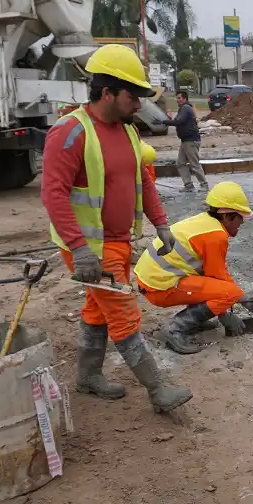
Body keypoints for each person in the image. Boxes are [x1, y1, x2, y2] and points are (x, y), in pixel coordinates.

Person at [41, 43, 191, 413]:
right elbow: (53, 194)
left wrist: (161, 223)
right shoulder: (70, 133)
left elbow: (143, 180)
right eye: (132, 96)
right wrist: (78, 248)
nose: (139, 104)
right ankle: (158, 390)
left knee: (97, 310)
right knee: (124, 313)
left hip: (119, 241)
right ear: (106, 93)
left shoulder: (127, 132)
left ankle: (88, 377)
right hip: (91, 247)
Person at [134, 182, 253, 354]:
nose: (241, 223)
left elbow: (215, 274)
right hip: (159, 287)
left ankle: (195, 320)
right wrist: (234, 304)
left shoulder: (205, 222)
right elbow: (218, 281)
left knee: (228, 291)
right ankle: (175, 329)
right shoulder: (216, 236)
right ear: (227, 216)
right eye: (240, 218)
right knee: (230, 292)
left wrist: (240, 300)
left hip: (154, 279)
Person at [164, 91, 208, 193]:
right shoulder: (183, 108)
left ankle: (204, 185)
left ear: (184, 99)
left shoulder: (186, 108)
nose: (177, 100)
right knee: (180, 163)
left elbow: (179, 121)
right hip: (185, 140)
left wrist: (164, 121)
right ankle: (188, 185)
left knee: (194, 164)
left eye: (179, 98)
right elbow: (177, 121)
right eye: (177, 98)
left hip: (191, 140)